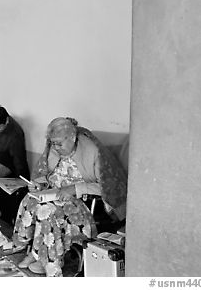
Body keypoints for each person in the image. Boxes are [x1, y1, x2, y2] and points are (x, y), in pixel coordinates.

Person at [11, 117, 128, 277]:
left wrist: (75, 189)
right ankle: (36, 252)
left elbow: (108, 186)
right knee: (29, 200)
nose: (56, 147)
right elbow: (45, 175)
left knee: (47, 211)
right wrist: (38, 185)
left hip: (80, 203)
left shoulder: (92, 151)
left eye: (59, 143)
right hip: (54, 193)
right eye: (53, 143)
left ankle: (51, 263)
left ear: (72, 138)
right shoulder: (53, 149)